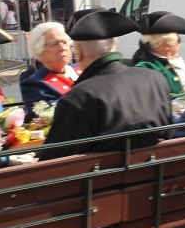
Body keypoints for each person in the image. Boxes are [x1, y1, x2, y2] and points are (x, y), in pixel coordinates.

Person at [41, 11, 173, 159]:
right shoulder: (156, 80)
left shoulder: (78, 98)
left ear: (78, 52)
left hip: (101, 181)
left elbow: (51, 163)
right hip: (159, 178)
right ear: (115, 45)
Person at [132, 11, 185, 98]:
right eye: (178, 40)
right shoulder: (145, 68)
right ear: (166, 45)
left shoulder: (175, 63)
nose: (180, 44)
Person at [19, 21, 82, 117]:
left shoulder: (82, 69)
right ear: (40, 50)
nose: (62, 47)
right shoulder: (34, 84)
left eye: (65, 42)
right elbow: (54, 116)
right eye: (55, 44)